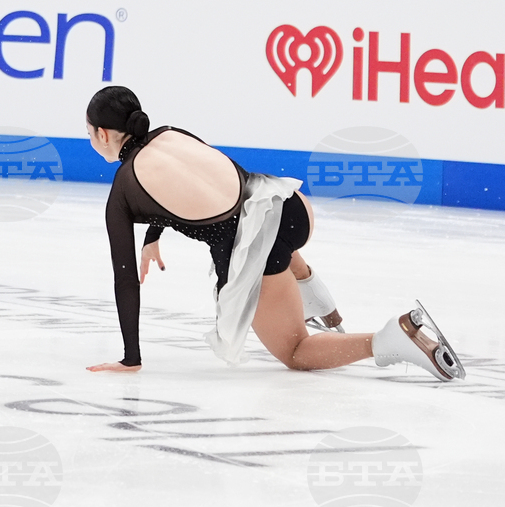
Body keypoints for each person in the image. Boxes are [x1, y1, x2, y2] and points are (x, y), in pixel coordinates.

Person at [83, 85, 465, 382]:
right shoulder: (170, 133)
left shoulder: (122, 192)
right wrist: (153, 237)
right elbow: (189, 186)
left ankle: (388, 339)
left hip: (256, 251)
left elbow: (125, 280)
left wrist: (130, 357)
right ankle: (326, 313)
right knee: (270, 239)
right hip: (288, 205)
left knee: (296, 352)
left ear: (103, 134)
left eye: (88, 134)